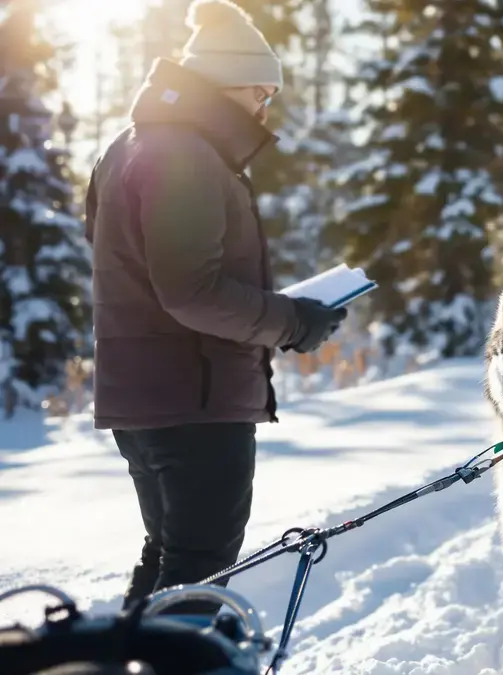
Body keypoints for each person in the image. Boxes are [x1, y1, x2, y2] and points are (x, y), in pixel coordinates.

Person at [83, 0, 347, 615]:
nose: (265, 110)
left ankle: (126, 657)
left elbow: (132, 265)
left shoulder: (128, 146)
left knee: (171, 553)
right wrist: (294, 321)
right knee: (200, 568)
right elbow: (189, 290)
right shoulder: (186, 156)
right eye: (262, 92)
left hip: (141, 399)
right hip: (195, 401)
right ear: (227, 85)